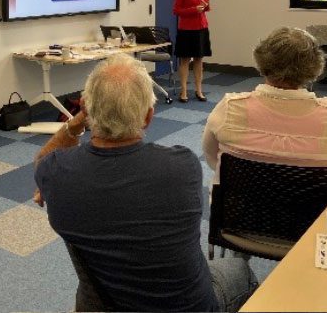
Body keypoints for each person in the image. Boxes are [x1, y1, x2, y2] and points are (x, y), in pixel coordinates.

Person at [34, 54, 257, 313]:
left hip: (102, 304)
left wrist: (76, 124)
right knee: (241, 269)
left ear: (85, 107)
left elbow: (42, 160)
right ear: (148, 117)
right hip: (188, 307)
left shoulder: (55, 172)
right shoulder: (183, 166)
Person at [203, 27, 327, 183]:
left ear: (262, 60)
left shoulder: (230, 107)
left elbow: (211, 157)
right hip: (311, 206)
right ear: (315, 66)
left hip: (236, 205)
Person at [173, 0, 211, 103]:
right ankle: (183, 91)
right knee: (185, 60)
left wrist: (204, 7)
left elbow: (207, 6)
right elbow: (176, 10)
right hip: (186, 29)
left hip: (201, 27)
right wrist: (193, 10)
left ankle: (199, 90)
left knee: (199, 59)